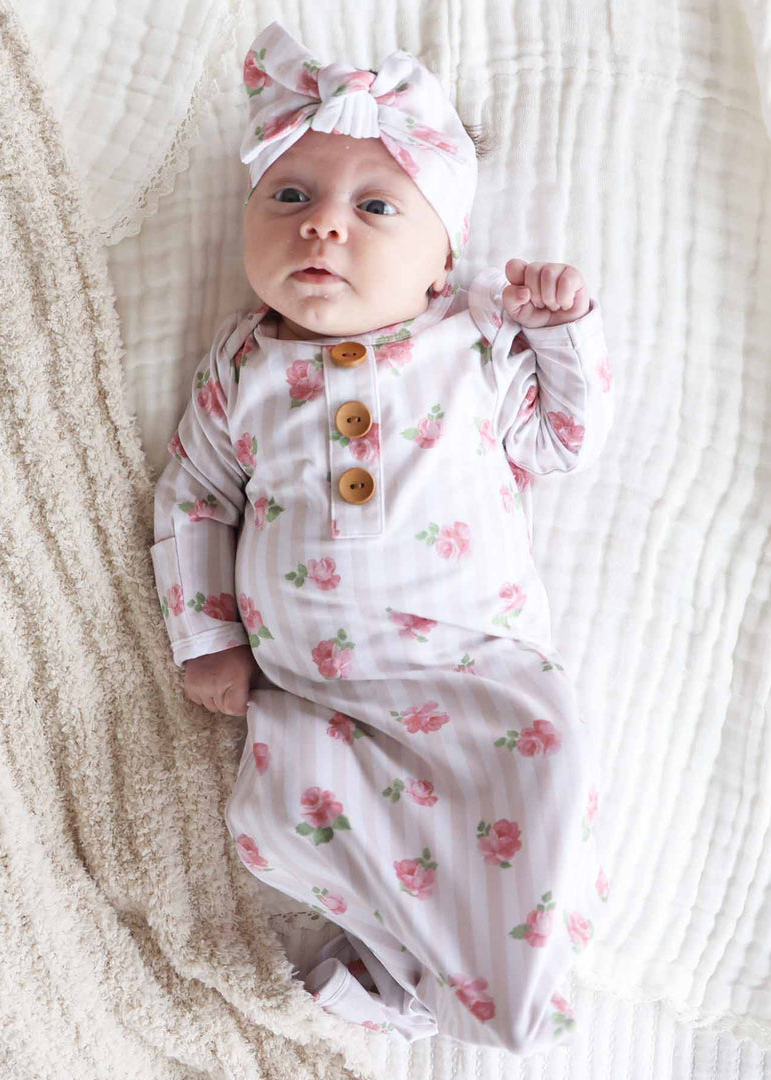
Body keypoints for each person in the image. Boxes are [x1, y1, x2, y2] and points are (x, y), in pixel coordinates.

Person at [150, 20, 616, 1054]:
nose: (322, 229)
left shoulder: (467, 343)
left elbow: (562, 443)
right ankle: (397, 966)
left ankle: (508, 987)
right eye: (289, 198)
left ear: (442, 258)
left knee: (547, 780)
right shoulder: (245, 368)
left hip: (474, 664)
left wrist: (560, 332)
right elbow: (193, 498)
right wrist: (207, 635)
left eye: (373, 209)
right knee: (291, 806)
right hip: (320, 685)